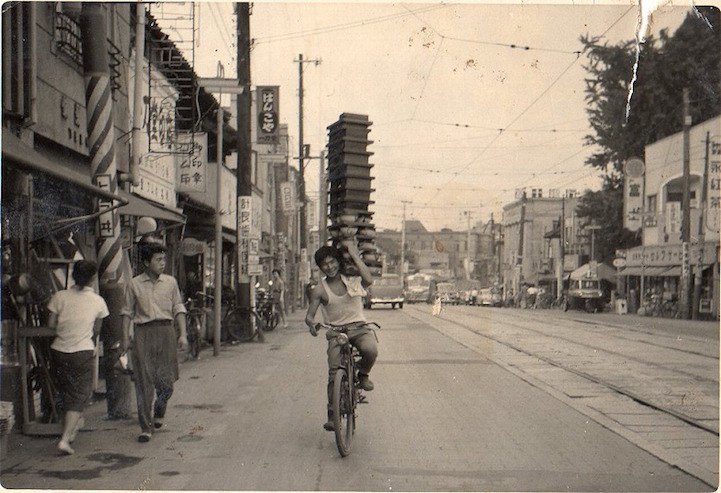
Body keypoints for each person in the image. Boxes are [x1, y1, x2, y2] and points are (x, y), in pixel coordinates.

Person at [305, 241, 378, 432]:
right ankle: (332, 414)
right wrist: (312, 325)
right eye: (325, 265)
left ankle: (362, 375)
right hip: (336, 332)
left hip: (359, 327)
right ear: (320, 268)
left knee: (371, 350)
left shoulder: (351, 280)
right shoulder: (320, 289)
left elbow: (368, 280)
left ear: (338, 261)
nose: (330, 267)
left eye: (332, 262)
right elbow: (309, 315)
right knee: (333, 372)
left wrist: (353, 253)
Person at [121, 243, 187, 443]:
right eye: (158, 260)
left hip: (166, 332)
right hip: (143, 333)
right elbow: (126, 312)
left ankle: (160, 408)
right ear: (146, 262)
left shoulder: (170, 282)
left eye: (164, 259)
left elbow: (178, 308)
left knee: (167, 382)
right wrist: (125, 338)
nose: (162, 263)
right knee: (143, 381)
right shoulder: (134, 284)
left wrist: (182, 334)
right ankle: (145, 427)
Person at [47, 260, 109, 455]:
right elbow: (97, 330)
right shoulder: (98, 301)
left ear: (73, 276)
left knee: (67, 392)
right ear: (92, 278)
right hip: (82, 351)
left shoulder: (59, 296)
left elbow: (51, 325)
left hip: (59, 350)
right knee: (79, 395)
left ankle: (71, 429)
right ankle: (65, 439)